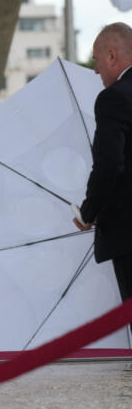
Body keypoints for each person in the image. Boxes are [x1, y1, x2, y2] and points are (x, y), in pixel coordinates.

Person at [73, 23, 132, 306]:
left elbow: (109, 163)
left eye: (97, 59)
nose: (95, 69)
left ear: (111, 55)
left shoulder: (114, 98)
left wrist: (88, 212)